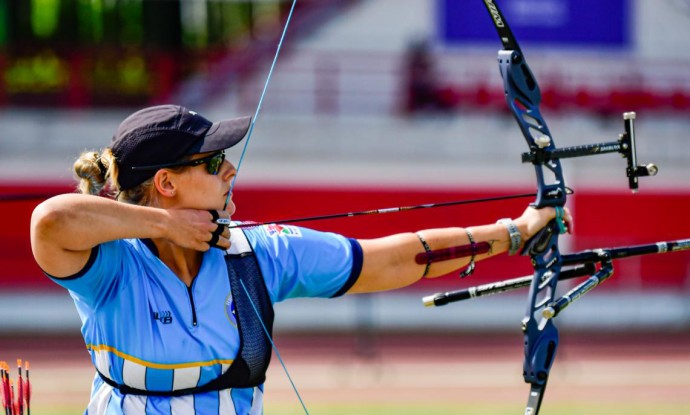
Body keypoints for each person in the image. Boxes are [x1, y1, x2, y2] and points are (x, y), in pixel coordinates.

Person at [30, 105, 571, 414]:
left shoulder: (257, 252)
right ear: (166, 183)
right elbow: (49, 222)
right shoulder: (113, 268)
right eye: (214, 161)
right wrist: (166, 225)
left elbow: (390, 260)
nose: (230, 172)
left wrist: (513, 234)